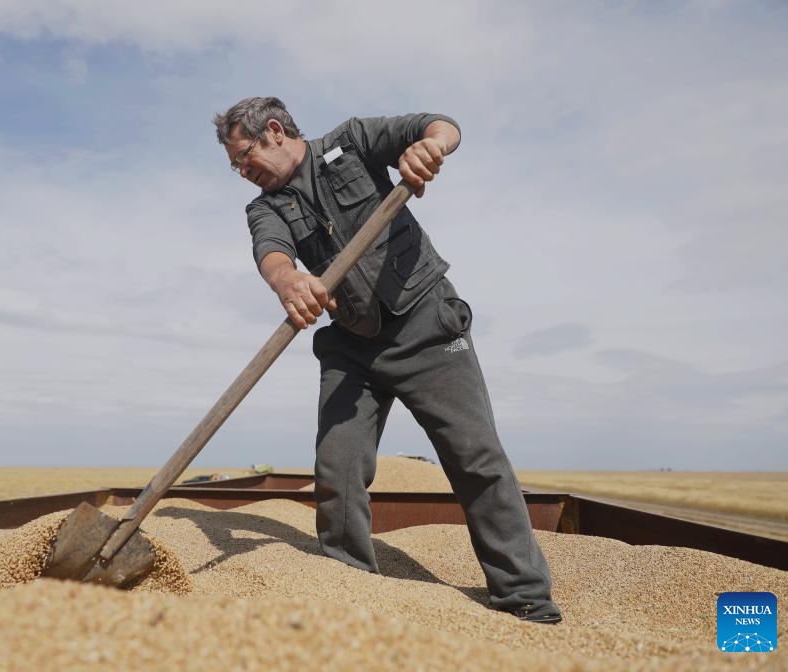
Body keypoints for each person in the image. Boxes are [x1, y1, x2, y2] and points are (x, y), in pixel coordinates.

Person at [213, 96, 562, 624]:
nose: (242, 172)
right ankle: (348, 586)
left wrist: (431, 147)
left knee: (476, 460)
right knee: (338, 469)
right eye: (235, 166)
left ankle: (525, 597)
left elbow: (437, 125)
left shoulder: (350, 142)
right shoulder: (264, 206)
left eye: (244, 158)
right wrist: (289, 282)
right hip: (352, 346)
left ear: (275, 132)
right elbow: (273, 253)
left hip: (425, 324)